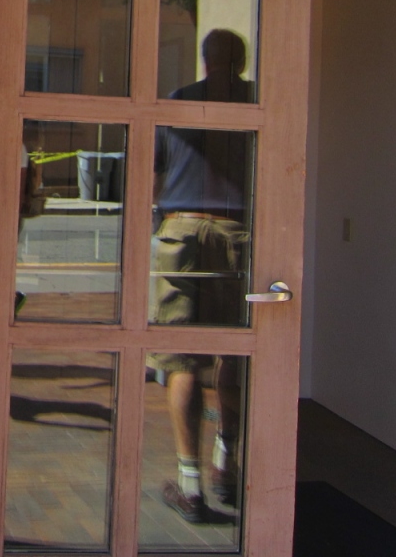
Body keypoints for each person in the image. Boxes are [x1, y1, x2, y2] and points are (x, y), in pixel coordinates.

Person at [149, 29, 252, 523]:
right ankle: (225, 464)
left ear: (205, 60)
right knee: (233, 350)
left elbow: (153, 172)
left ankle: (189, 484)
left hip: (182, 229)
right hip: (236, 232)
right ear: (242, 62)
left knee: (182, 358)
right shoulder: (257, 102)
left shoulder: (178, 102)